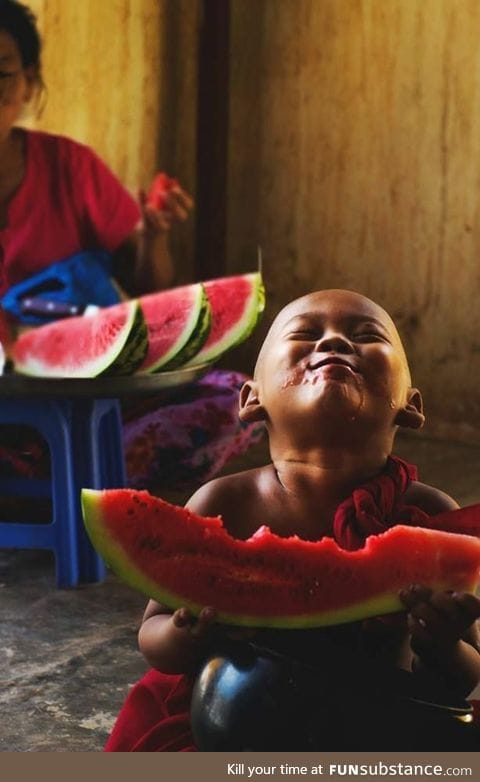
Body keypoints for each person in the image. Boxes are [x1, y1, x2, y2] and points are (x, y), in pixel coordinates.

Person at [105, 288, 480, 752]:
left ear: (411, 404)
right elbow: (153, 636)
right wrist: (186, 634)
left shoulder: (432, 520)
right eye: (305, 333)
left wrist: (439, 642)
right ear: (250, 398)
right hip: (230, 719)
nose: (334, 343)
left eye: (366, 335)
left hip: (369, 727)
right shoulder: (225, 501)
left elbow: (461, 675)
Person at [0, 0, 264, 495]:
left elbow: (150, 290)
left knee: (236, 398)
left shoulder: (70, 168)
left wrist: (154, 232)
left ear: (29, 82)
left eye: (0, 74)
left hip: (89, 401)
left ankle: (43, 473)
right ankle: (77, 475)